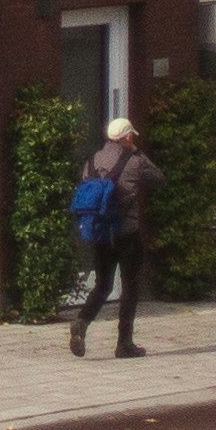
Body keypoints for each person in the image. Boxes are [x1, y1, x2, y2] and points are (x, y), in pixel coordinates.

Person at [69, 115, 166, 360]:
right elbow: (159, 179)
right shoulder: (134, 161)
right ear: (128, 137)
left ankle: (82, 322)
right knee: (130, 287)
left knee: (103, 285)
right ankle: (124, 344)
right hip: (127, 233)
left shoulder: (92, 161)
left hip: (101, 233)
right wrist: (138, 152)